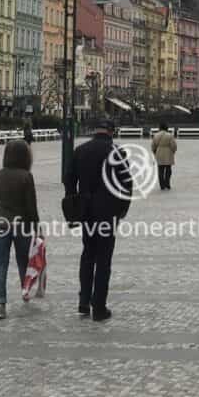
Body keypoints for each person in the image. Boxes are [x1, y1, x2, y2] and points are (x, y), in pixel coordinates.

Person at [64, 117, 132, 322]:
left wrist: (75, 202)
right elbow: (127, 185)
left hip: (86, 211)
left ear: (96, 131)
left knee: (87, 255)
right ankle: (99, 308)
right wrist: (121, 211)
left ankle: (84, 302)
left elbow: (69, 180)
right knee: (103, 259)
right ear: (111, 132)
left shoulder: (80, 150)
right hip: (107, 213)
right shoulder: (116, 153)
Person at [0, 139, 40, 319]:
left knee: (1, 263)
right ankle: (25, 291)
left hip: (1, 222)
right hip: (22, 224)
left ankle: (0, 304)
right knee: (23, 261)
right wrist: (37, 227)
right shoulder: (26, 176)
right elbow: (31, 207)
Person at [151, 122, 177, 190]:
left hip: (159, 152)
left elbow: (153, 146)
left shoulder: (156, 135)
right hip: (168, 152)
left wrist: (155, 152)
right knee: (168, 169)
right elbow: (173, 145)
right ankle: (167, 184)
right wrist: (173, 151)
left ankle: (162, 185)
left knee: (160, 170)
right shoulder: (170, 135)